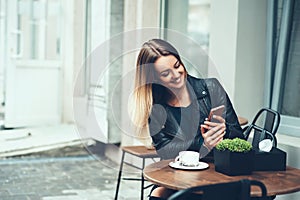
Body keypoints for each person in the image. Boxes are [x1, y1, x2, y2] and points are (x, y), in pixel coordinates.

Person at [132, 39, 244, 200]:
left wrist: (223, 135)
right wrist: (203, 144)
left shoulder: (211, 88)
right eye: (165, 74)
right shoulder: (156, 108)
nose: (176, 75)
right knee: (158, 193)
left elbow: (240, 139)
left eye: (177, 66)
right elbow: (165, 150)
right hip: (181, 174)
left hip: (219, 173)